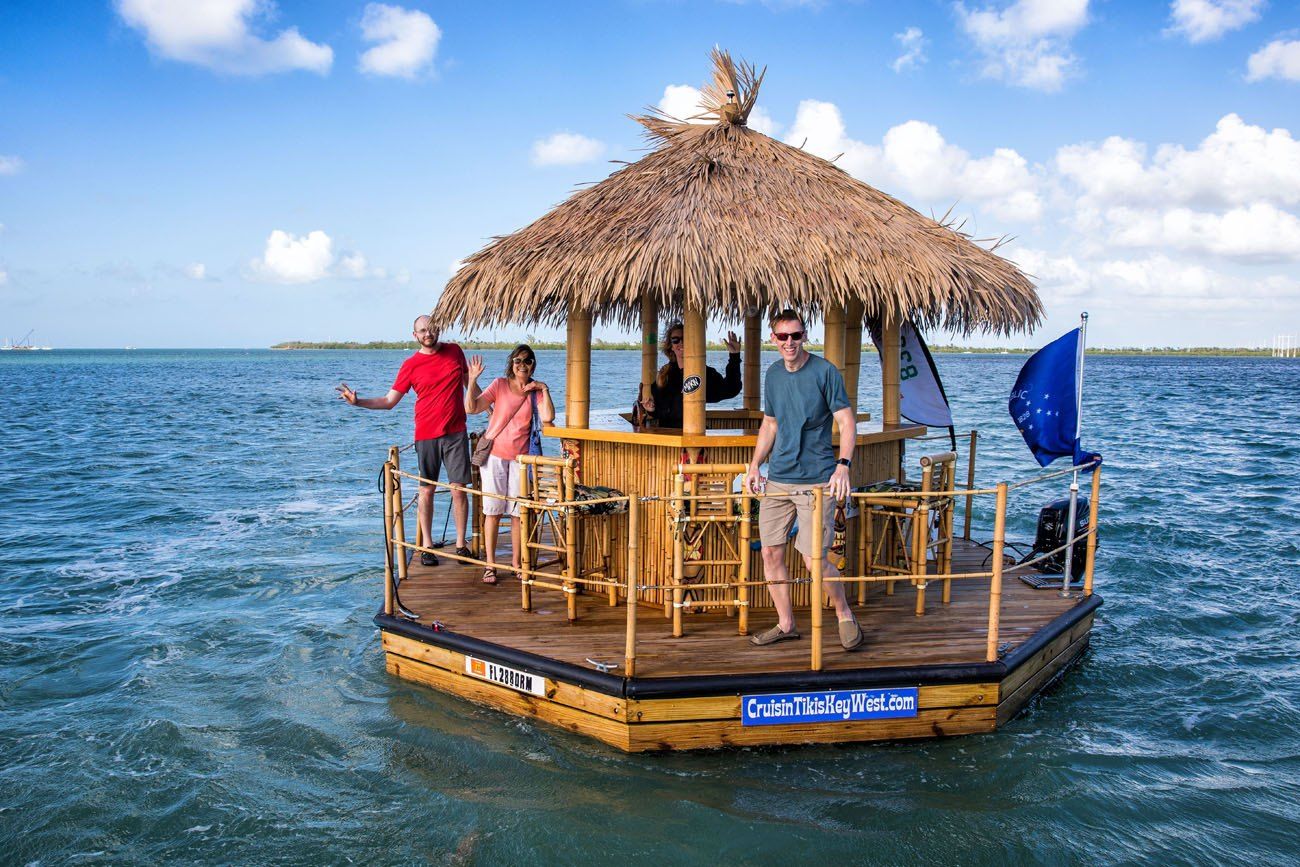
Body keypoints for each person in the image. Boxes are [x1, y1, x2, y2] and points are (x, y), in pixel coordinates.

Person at [743, 309, 863, 650]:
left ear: (804, 336)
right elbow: (770, 424)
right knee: (770, 553)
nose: (790, 342)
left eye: (796, 335)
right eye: (783, 336)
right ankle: (786, 624)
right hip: (778, 477)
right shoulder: (773, 374)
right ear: (773, 339)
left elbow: (847, 422)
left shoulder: (825, 372)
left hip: (816, 481)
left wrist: (843, 465)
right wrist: (755, 466)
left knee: (814, 559)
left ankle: (844, 614)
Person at [337, 315, 472, 567]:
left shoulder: (455, 351)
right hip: (426, 433)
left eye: (431, 329)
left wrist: (488, 408)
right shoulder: (411, 365)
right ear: (415, 335)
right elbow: (389, 401)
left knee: (459, 489)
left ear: (438, 328)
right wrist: (359, 402)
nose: (427, 333)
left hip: (456, 431)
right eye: (422, 331)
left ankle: (462, 545)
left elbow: (468, 384)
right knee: (426, 490)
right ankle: (427, 547)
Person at [465, 345, 555, 584]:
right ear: (511, 363)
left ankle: (517, 563)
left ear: (533, 365)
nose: (522, 365)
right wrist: (472, 380)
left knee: (518, 513)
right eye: (518, 360)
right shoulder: (499, 385)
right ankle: (490, 564)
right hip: (494, 456)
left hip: (521, 459)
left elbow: (548, 418)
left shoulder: (535, 391)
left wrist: (544, 388)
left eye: (527, 361)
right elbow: (472, 408)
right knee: (492, 512)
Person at [642, 321, 742, 428]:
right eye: (676, 340)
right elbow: (659, 411)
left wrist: (734, 357)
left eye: (685, 338)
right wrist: (651, 409)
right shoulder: (663, 376)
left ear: (691, 341)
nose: (681, 342)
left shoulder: (704, 373)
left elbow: (731, 389)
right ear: (671, 346)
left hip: (696, 435)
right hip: (669, 438)